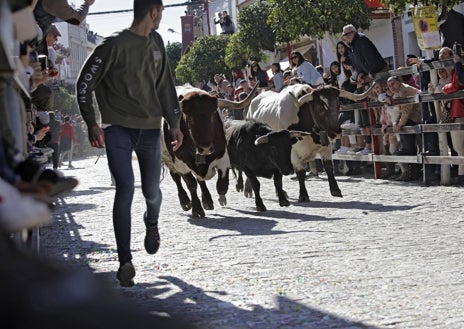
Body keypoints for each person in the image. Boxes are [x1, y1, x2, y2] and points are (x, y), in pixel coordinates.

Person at [76, 0, 184, 287]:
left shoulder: (158, 42)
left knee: (152, 191)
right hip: (117, 130)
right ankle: (125, 261)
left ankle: (152, 223)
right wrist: (91, 122)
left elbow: (165, 85)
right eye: (161, 12)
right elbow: (84, 84)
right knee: (124, 188)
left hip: (150, 129)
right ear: (153, 12)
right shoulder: (111, 45)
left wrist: (174, 123)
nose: (161, 17)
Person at [386, 76, 421, 181]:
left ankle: (411, 169)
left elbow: (406, 111)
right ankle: (411, 171)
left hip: (418, 116)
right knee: (409, 145)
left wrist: (399, 124)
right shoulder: (397, 93)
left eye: (393, 84)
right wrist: (397, 122)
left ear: (399, 82)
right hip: (412, 117)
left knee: (408, 146)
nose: (391, 87)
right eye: (389, 85)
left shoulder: (404, 90)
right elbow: (401, 111)